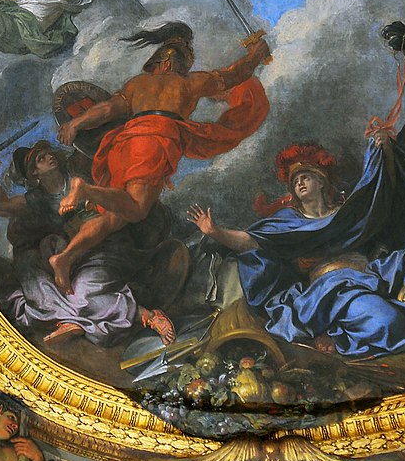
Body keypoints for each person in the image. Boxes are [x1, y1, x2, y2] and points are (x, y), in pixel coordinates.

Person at [187, 136, 405, 357]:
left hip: (376, 272)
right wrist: (214, 230)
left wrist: (384, 150)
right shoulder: (287, 223)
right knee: (384, 320)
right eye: (295, 181)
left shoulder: (352, 210)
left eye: (305, 176)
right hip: (334, 288)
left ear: (322, 181)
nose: (300, 182)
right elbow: (251, 242)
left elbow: (383, 191)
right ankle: (346, 338)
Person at [51, 21, 271, 294]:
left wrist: (76, 124)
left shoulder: (135, 85)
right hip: (155, 140)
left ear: (159, 62)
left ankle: (64, 258)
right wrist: (257, 53)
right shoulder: (190, 83)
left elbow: (106, 109)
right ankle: (83, 189)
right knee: (137, 208)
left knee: (115, 218)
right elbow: (237, 73)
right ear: (171, 64)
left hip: (124, 144)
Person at [0, 140, 177, 347]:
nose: (49, 157)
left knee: (86, 292)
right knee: (44, 267)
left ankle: (148, 316)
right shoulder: (38, 199)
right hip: (75, 258)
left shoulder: (82, 175)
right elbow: (1, 207)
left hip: (107, 247)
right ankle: (70, 321)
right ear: (34, 173)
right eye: (40, 159)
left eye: (48, 153)